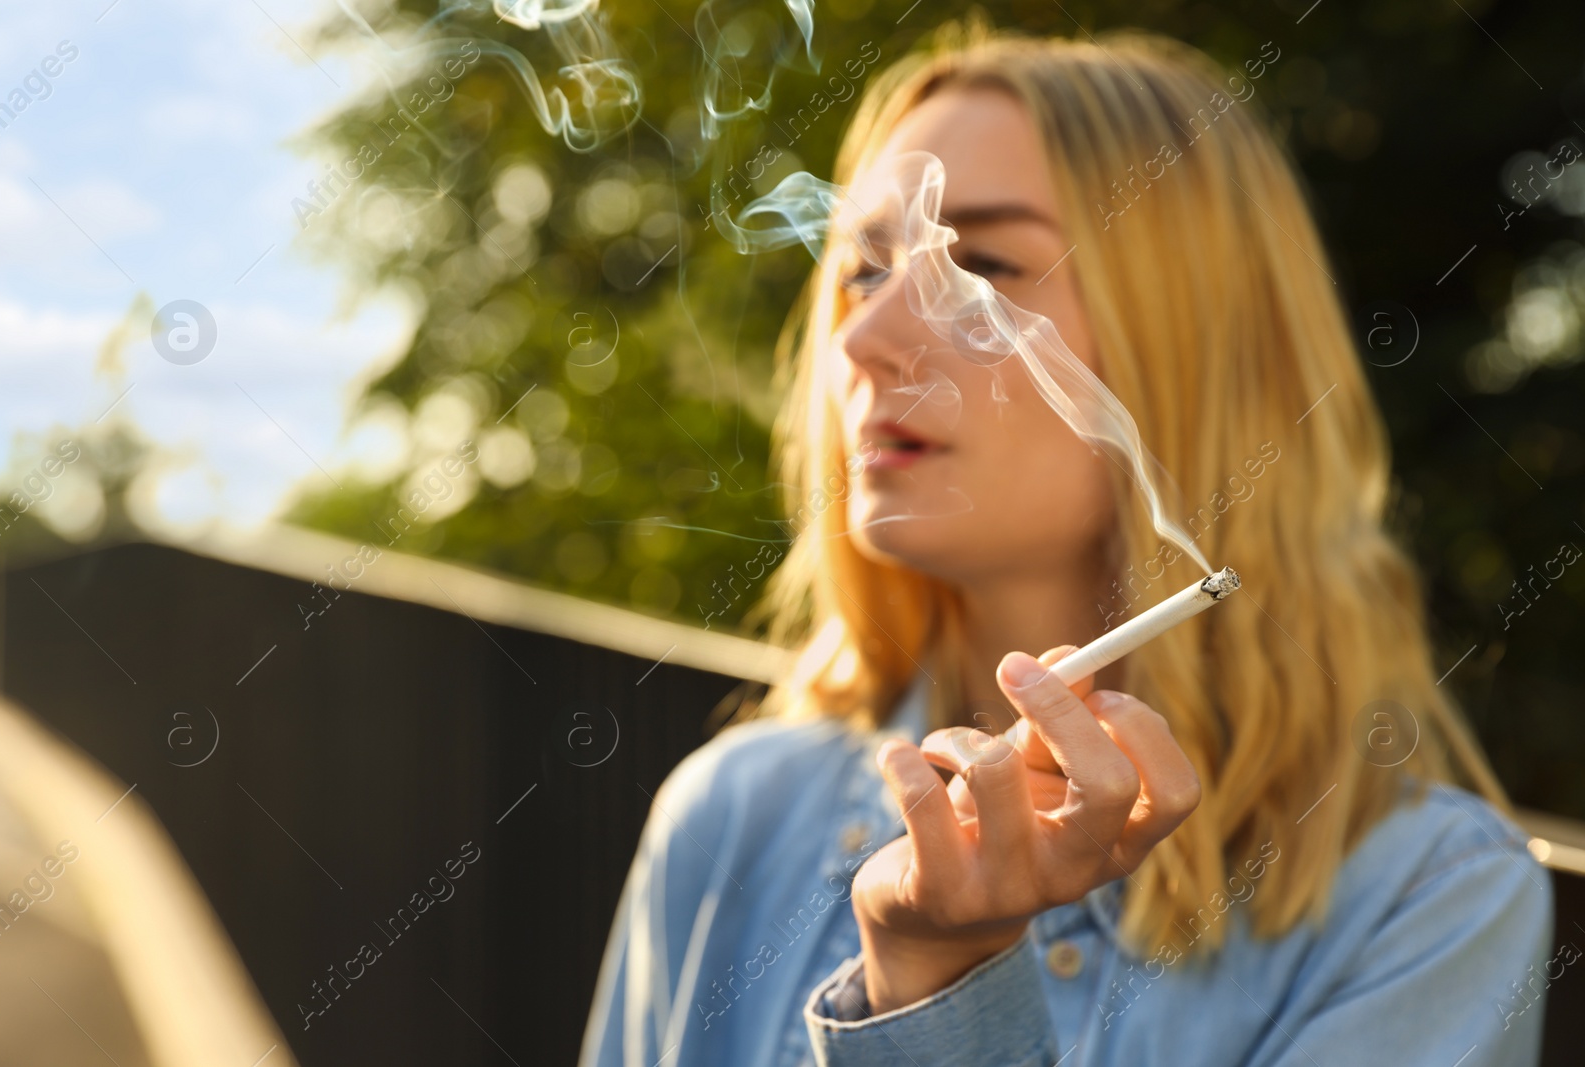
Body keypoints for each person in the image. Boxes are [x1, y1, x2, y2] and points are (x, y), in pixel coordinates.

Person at [579, 20, 1554, 1067]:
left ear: (1194, 341)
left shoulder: (1422, 902)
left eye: (983, 263)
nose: (864, 340)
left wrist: (936, 987)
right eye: (862, 270)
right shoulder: (731, 817)